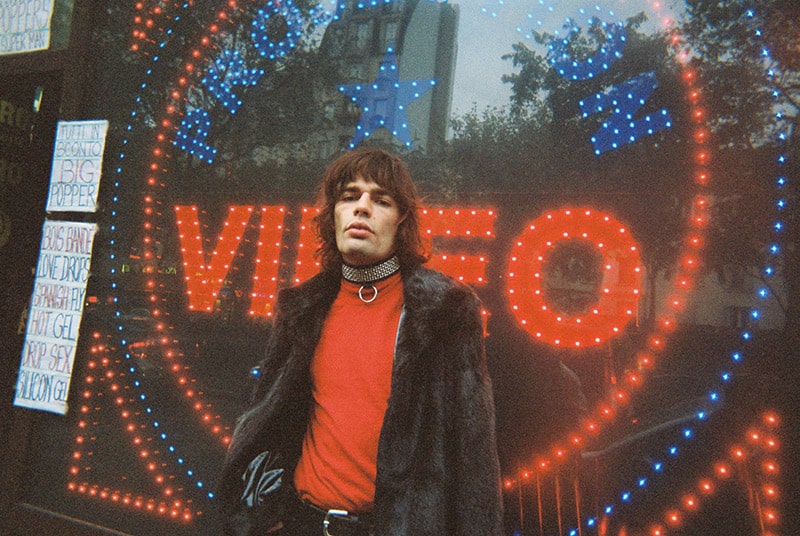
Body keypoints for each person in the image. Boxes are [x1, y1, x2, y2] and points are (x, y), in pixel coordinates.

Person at [218, 147, 503, 535]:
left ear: (401, 219)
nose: (362, 208)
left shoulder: (444, 311)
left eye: (381, 200)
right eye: (349, 196)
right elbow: (268, 422)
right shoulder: (303, 309)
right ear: (333, 214)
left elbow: (474, 457)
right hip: (301, 523)